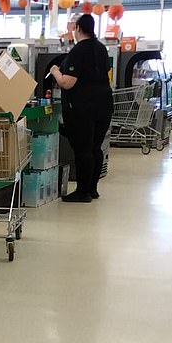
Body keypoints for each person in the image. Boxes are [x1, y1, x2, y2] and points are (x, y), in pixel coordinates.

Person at [50, 13, 113, 203]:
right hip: (104, 105)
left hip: (84, 108)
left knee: (83, 149)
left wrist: (55, 71)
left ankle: (82, 192)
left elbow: (67, 83)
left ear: (78, 28)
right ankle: (92, 189)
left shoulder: (78, 51)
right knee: (95, 147)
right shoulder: (101, 49)